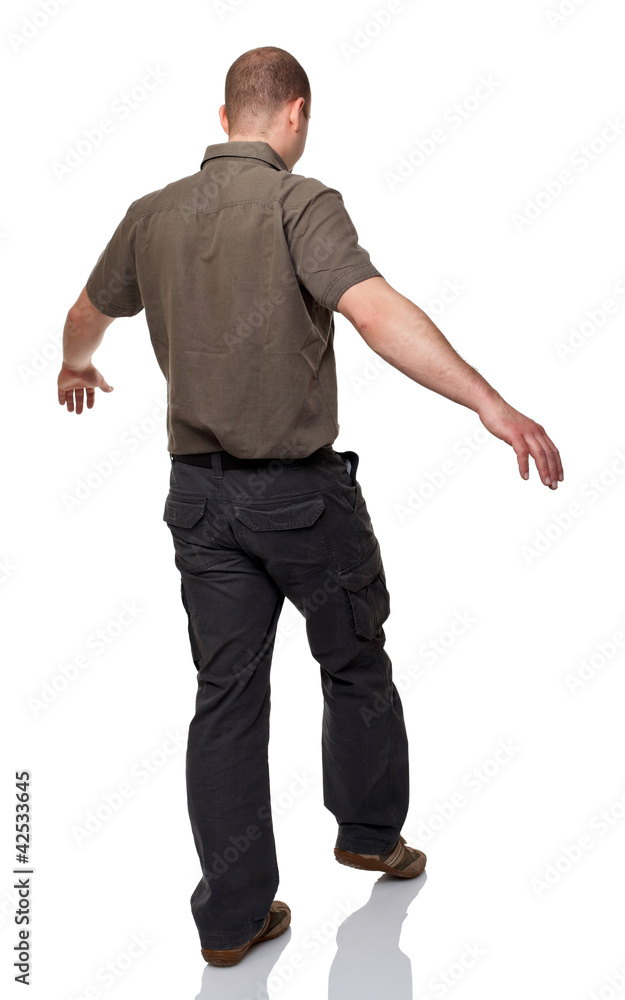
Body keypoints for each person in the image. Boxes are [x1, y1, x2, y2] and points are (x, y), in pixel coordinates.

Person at [56, 46, 564, 967]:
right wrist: (488, 403)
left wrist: (76, 365)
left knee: (224, 699)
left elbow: (87, 312)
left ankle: (230, 922)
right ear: (295, 113)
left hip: (198, 503)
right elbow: (374, 312)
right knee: (354, 659)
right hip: (299, 499)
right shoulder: (300, 202)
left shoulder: (151, 213)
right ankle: (369, 835)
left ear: (224, 118)